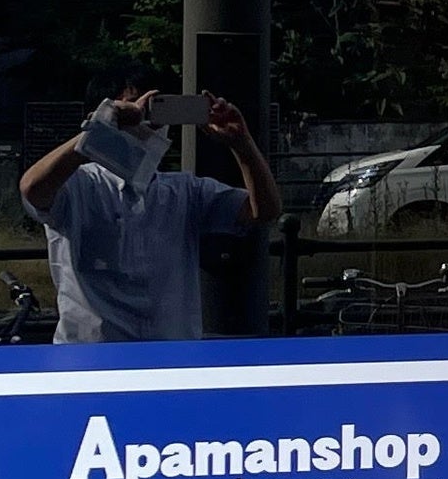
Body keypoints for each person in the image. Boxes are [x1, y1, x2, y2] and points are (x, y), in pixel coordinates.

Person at [17, 72, 279, 343]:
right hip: (90, 358)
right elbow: (32, 187)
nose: (143, 121)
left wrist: (242, 143)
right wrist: (99, 131)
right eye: (131, 110)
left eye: (154, 110)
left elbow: (263, 211)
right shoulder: (79, 186)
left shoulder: (184, 191)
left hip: (171, 358)